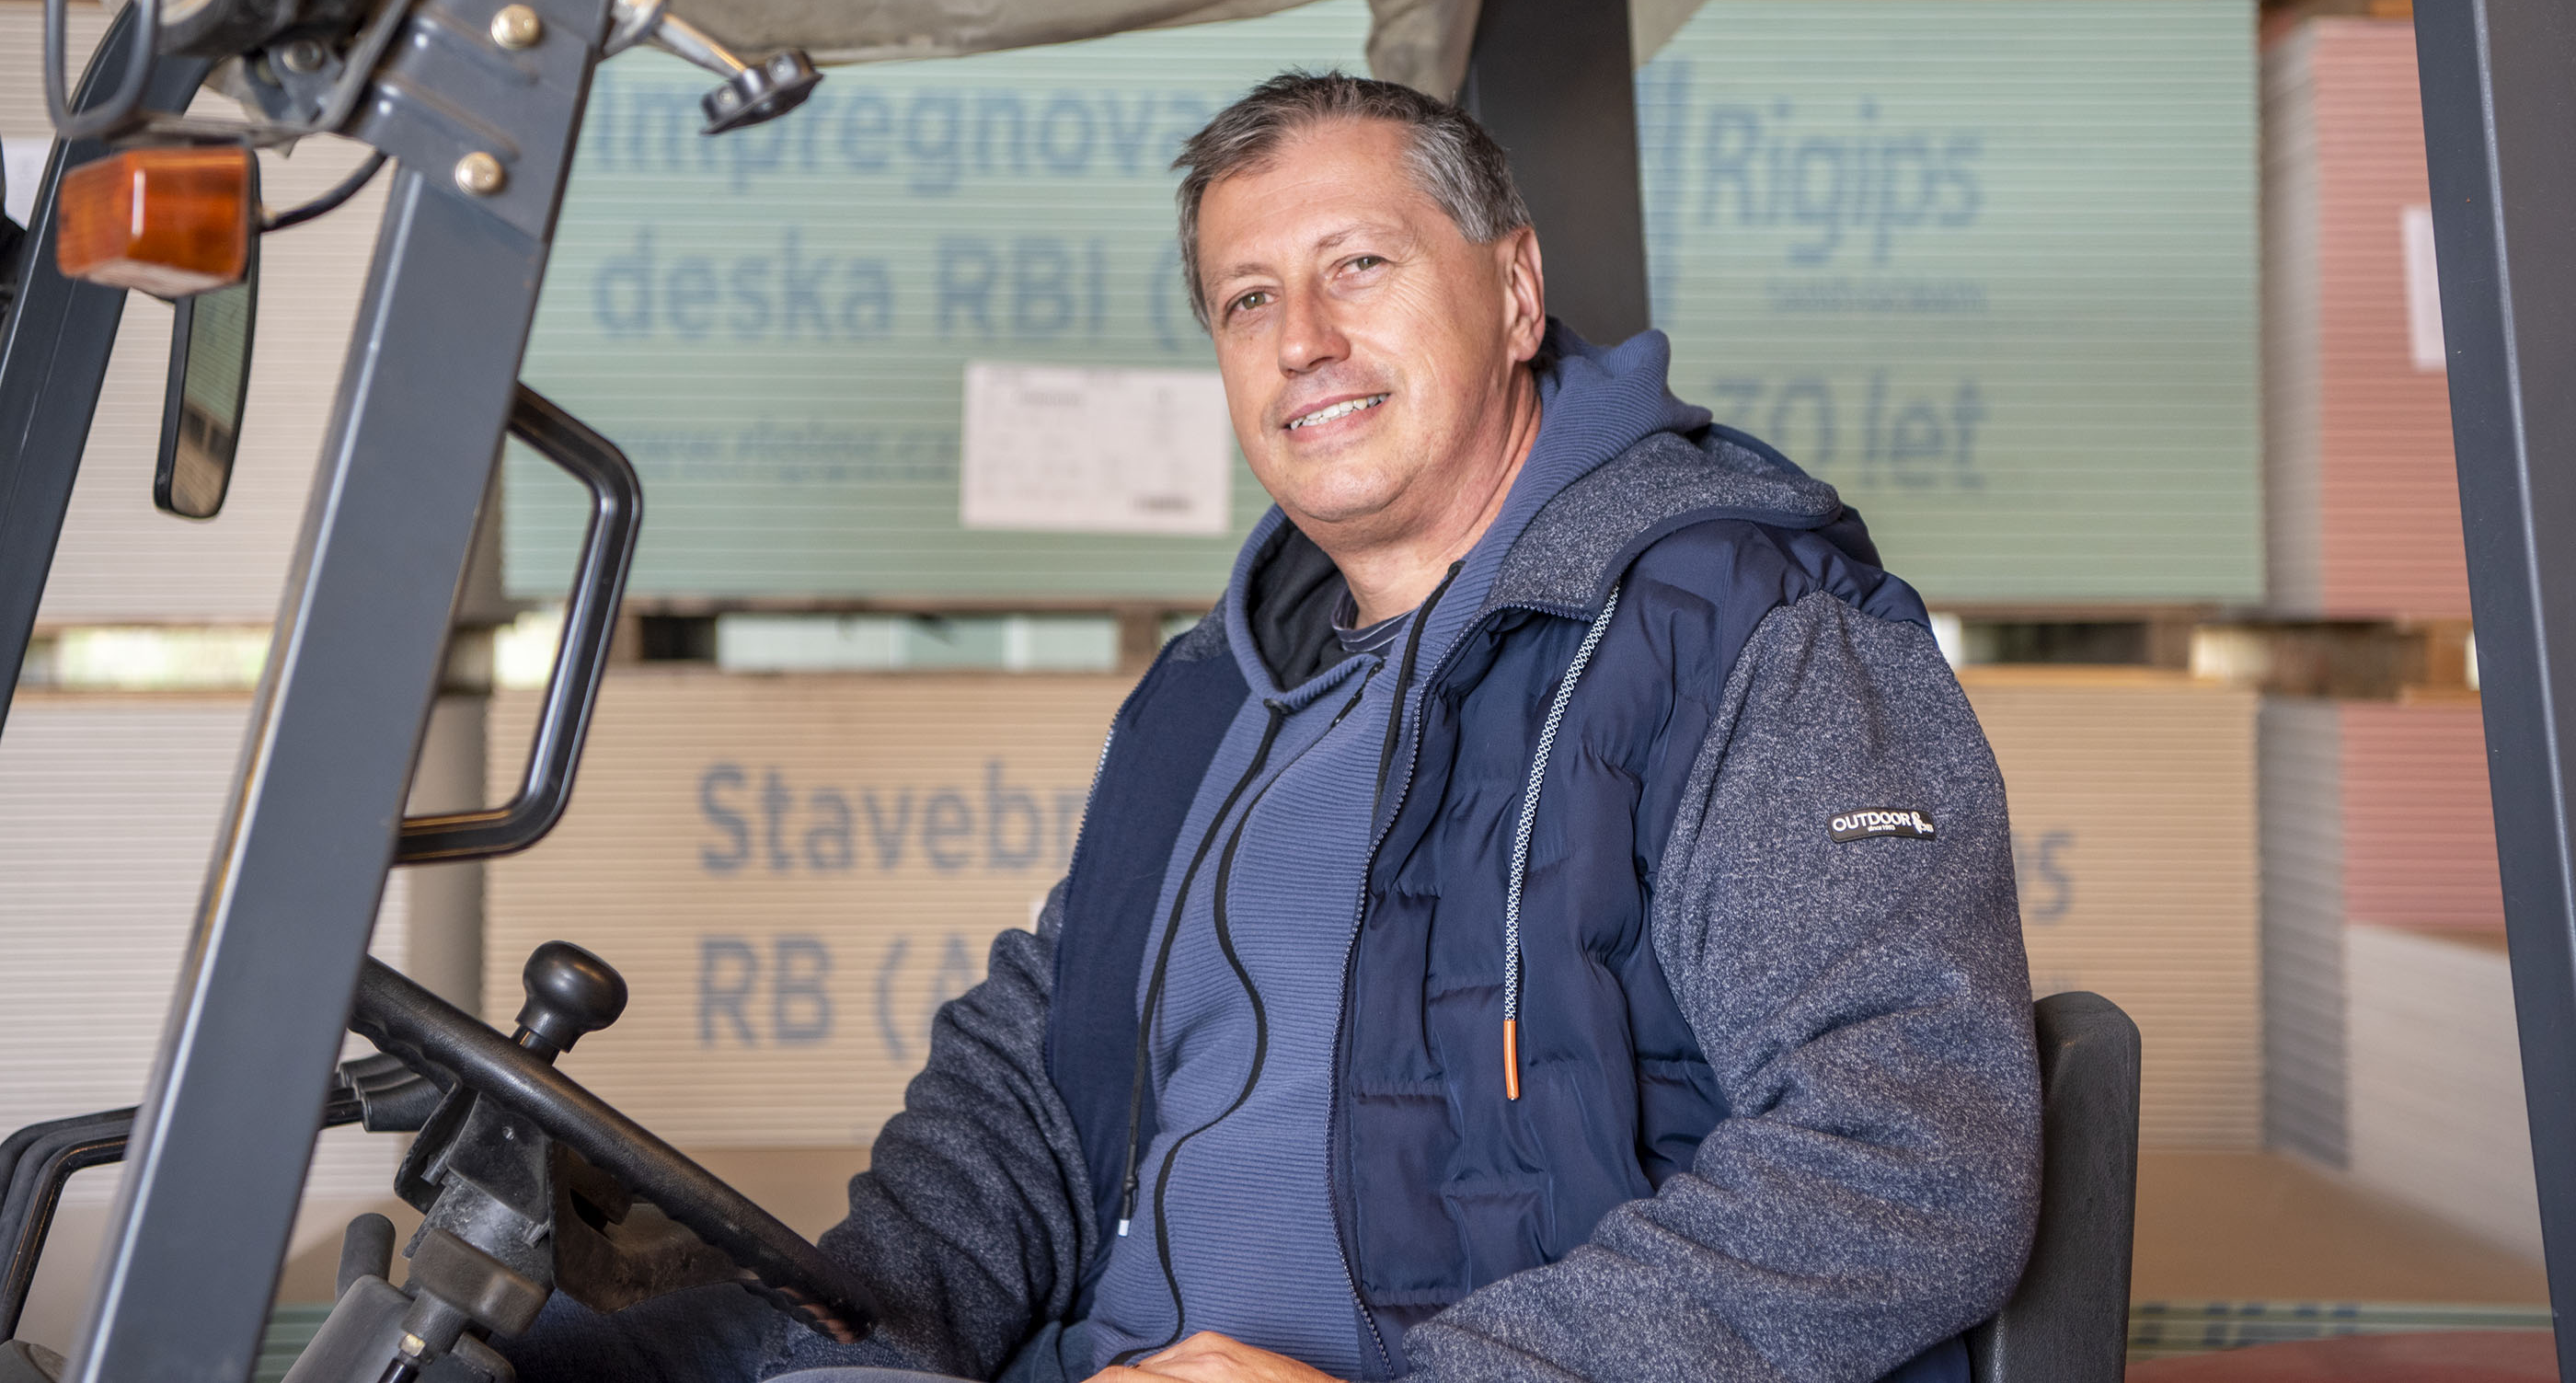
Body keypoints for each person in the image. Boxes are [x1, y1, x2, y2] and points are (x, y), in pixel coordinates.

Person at [515, 73, 2040, 1383]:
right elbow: (1033, 1096)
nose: (1301, 336)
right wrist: (824, 1336)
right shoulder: (1210, 696)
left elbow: (1909, 1156)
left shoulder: (1738, 630)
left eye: (1357, 266)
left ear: (1515, 293)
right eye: (1248, 300)